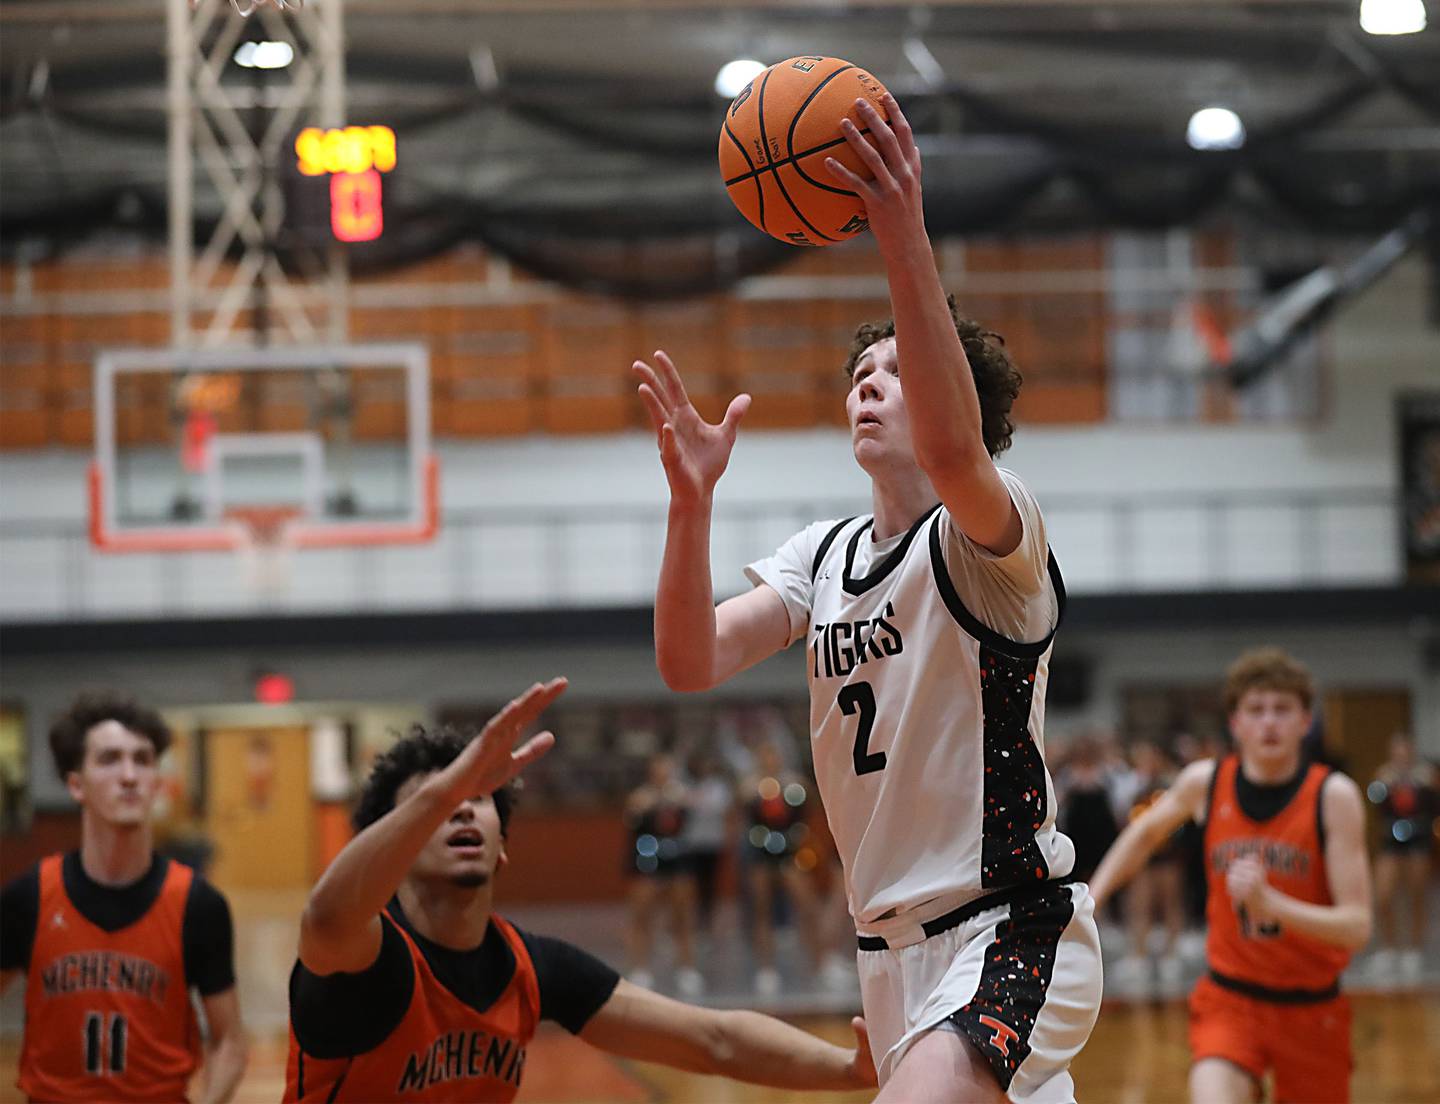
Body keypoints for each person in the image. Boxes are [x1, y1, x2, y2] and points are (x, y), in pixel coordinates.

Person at [632, 90, 1100, 1103]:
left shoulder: (991, 537)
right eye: (859, 371)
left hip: (1009, 928)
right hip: (888, 959)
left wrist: (899, 232)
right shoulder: (824, 556)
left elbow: (949, 447)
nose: (869, 383)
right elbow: (687, 662)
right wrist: (690, 507)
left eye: (895, 367)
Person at [283, 679, 877, 1102]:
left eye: (478, 799)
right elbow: (327, 916)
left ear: (503, 845)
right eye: (434, 803)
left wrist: (849, 1069)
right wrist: (451, 783)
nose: (460, 808)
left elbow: (713, 1040)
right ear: (394, 844)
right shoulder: (369, 957)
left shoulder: (530, 969)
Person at [1089, 649, 1372, 1104]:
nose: (1269, 723)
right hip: (1230, 1001)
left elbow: (1357, 927)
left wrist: (1273, 905)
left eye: (1282, 710)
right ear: (1235, 723)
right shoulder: (1205, 782)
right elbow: (1142, 834)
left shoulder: (1333, 796)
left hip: (1312, 1008)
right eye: (1256, 710)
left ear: (1306, 721)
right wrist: (1093, 899)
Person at [0, 693, 248, 1104]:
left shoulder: (198, 904)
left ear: (156, 781)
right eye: (110, 759)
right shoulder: (29, 898)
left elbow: (229, 1043)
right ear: (76, 784)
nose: (129, 775)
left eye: (143, 759)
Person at [740, 738, 826, 997]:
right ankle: (766, 968)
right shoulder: (750, 784)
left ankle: (820, 964)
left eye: (773, 755)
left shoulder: (792, 782)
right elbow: (741, 804)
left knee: (807, 905)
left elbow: (810, 799)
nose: (770, 760)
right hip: (761, 851)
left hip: (789, 850)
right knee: (762, 908)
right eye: (765, 755)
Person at [623, 751, 701, 996]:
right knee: (642, 915)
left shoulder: (679, 794)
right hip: (648, 858)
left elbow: (692, 810)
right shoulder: (641, 797)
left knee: (683, 916)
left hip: (676, 858)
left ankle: (686, 967)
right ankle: (641, 968)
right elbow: (631, 818)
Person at [1367, 731, 1436, 984]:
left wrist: (1427, 785)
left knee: (1417, 894)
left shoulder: (1424, 776)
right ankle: (1388, 947)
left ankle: (1414, 949)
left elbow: (1432, 805)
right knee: (1383, 895)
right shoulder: (1384, 776)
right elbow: (1374, 801)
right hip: (1390, 843)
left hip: (1417, 842)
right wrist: (1383, 784)